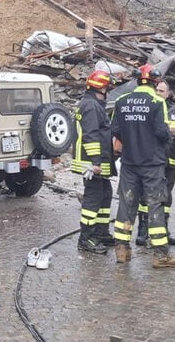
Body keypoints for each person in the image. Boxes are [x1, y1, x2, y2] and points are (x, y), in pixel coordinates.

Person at [110, 64, 175, 268]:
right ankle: (160, 255)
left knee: (127, 203)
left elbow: (115, 129)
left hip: (129, 163)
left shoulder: (121, 101)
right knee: (155, 203)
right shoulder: (157, 102)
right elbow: (162, 132)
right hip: (152, 163)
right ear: (155, 82)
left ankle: (122, 250)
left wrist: (132, 139)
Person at [135, 80, 175, 246]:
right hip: (150, 159)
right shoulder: (150, 106)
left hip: (168, 160)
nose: (158, 93)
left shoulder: (173, 110)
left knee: (166, 197)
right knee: (145, 195)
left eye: (162, 91)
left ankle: (163, 229)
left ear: (168, 93)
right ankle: (143, 231)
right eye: (156, 90)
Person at [71, 70, 116, 254]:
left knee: (106, 193)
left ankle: (101, 232)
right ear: (103, 87)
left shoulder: (93, 104)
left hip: (99, 161)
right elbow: (91, 136)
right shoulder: (90, 106)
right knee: (93, 198)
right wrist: (96, 162)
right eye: (107, 87)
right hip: (92, 163)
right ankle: (86, 238)